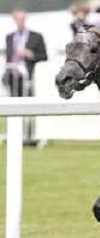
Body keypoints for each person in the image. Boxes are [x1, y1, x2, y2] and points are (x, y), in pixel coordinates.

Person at [4, 9, 48, 145]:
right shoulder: (10, 37)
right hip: (12, 76)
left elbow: (44, 56)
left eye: (22, 19)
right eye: (17, 19)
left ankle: (29, 134)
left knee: (28, 105)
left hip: (29, 76)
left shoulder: (36, 36)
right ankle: (14, 134)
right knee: (13, 105)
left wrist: (31, 55)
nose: (20, 22)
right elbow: (9, 57)